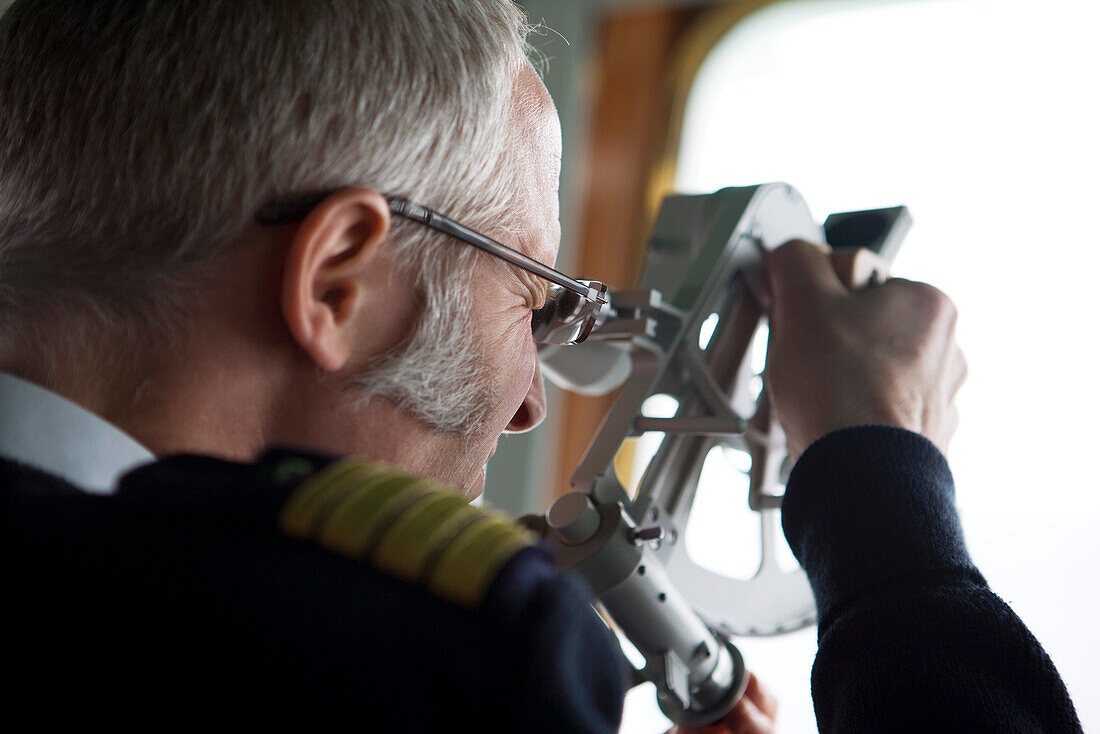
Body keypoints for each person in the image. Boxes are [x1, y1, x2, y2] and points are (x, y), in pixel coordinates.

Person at [0, 1, 1081, 732]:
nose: (527, 404)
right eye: (535, 299)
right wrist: (881, 479)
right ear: (338, 279)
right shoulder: (443, 662)